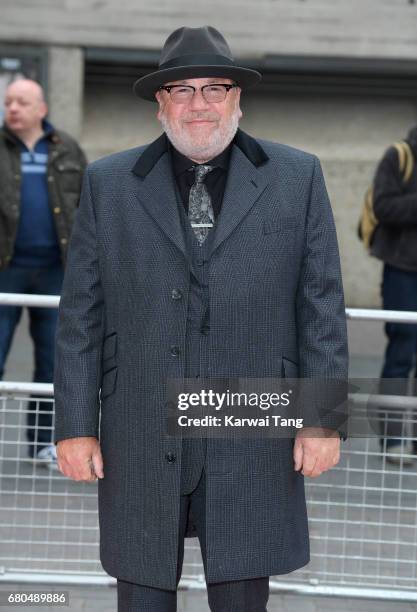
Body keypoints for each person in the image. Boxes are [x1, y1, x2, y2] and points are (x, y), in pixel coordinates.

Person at [54, 26, 348, 611]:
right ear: (160, 103)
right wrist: (74, 424)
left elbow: (321, 305)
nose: (199, 104)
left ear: (238, 98)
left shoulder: (298, 177)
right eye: (182, 90)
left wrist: (323, 420)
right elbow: (81, 314)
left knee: (241, 594)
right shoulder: (108, 184)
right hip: (140, 425)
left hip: (253, 425)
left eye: (215, 88)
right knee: (141, 592)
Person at [0, 79, 87, 469]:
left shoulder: (67, 149)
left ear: (42, 109)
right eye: (8, 102)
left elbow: (88, 206)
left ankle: (42, 445)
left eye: (21, 102)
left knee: (53, 361)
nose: (12, 108)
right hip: (6, 269)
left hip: (55, 271)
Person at [371, 126, 417, 465]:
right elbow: (383, 206)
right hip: (403, 270)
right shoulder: (400, 155)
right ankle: (393, 437)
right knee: (401, 352)